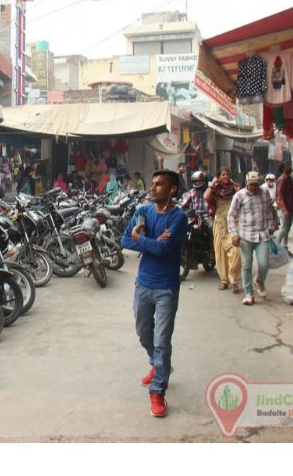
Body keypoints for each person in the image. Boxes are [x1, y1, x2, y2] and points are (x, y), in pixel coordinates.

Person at [121, 170, 188, 419]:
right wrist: (148, 240)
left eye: (160, 184)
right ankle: (157, 363)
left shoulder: (178, 218)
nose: (153, 187)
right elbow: (126, 240)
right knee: (143, 332)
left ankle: (158, 391)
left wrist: (143, 239)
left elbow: (164, 248)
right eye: (153, 183)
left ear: (172, 189)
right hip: (143, 284)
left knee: (162, 340)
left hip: (166, 288)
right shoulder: (143, 211)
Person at [228, 171, 279, 306]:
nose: (254, 187)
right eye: (251, 185)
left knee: (264, 263)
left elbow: (269, 211)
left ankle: (260, 281)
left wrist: (272, 225)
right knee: (246, 265)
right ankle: (249, 293)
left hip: (262, 234)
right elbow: (231, 215)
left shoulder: (265, 193)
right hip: (245, 235)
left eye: (256, 185)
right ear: (247, 183)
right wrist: (234, 234)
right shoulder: (239, 195)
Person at [204, 167, 242, 293]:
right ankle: (224, 280)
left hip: (234, 223)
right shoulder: (215, 189)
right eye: (223, 175)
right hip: (220, 223)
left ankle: (234, 280)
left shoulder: (235, 188)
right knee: (220, 252)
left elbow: (243, 200)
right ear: (219, 176)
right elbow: (206, 196)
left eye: (227, 174)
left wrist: (238, 190)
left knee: (236, 251)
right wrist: (213, 183)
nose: (226, 177)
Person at [274, 163, 293, 251]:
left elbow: (292, 195)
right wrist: (285, 209)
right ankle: (275, 248)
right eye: (287, 166)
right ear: (283, 169)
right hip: (284, 209)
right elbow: (280, 196)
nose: (290, 167)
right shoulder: (282, 179)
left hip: (290, 208)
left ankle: (284, 247)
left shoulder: (289, 179)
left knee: (287, 229)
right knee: (284, 229)